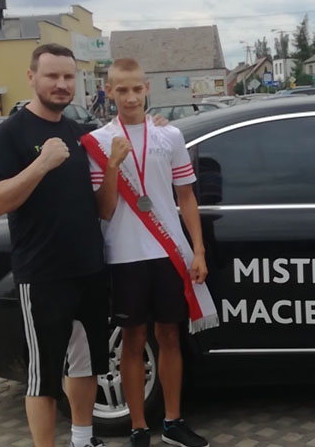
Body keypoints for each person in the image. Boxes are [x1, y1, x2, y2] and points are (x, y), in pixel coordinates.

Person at [83, 58, 218, 447]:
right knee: (132, 340)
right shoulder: (98, 142)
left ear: (146, 89)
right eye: (120, 89)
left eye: (136, 88)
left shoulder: (170, 136)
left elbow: (186, 197)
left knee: (171, 337)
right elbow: (104, 209)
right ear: (108, 91)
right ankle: (139, 428)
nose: (129, 97)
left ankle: (173, 422)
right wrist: (112, 165)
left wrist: (198, 252)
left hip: (168, 252)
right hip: (124, 255)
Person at [0, 44, 109, 447]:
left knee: (86, 363)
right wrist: (40, 164)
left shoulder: (80, 133)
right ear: (31, 77)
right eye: (52, 76)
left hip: (89, 268)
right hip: (42, 274)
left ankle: (82, 438)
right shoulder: (10, 134)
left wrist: (154, 123)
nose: (61, 84)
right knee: (43, 374)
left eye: (68, 77)